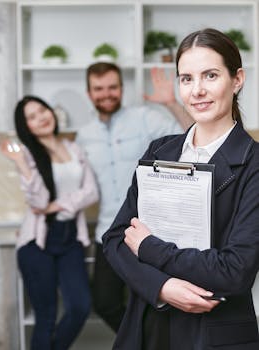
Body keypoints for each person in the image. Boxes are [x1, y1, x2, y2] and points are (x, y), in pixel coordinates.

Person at [102, 28, 259, 350]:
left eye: (210, 75)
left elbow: (235, 270)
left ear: (237, 79)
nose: (197, 90)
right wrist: (162, 286)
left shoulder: (254, 163)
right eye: (186, 79)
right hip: (147, 324)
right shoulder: (159, 151)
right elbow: (116, 239)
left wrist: (149, 249)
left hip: (215, 332)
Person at [76, 62, 193, 332]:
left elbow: (192, 135)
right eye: (99, 88)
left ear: (121, 88)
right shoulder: (84, 136)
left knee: (156, 302)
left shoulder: (145, 119)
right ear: (89, 92)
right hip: (110, 233)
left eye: (112, 87)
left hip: (150, 233)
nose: (106, 94)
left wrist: (172, 103)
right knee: (105, 303)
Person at [0, 96, 99, 350]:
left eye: (42, 110)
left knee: (80, 306)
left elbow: (91, 192)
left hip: (70, 239)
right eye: (31, 117)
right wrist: (22, 164)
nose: (40, 118)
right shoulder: (29, 155)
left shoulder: (74, 148)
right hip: (37, 242)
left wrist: (59, 204)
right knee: (45, 317)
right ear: (26, 127)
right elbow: (40, 202)